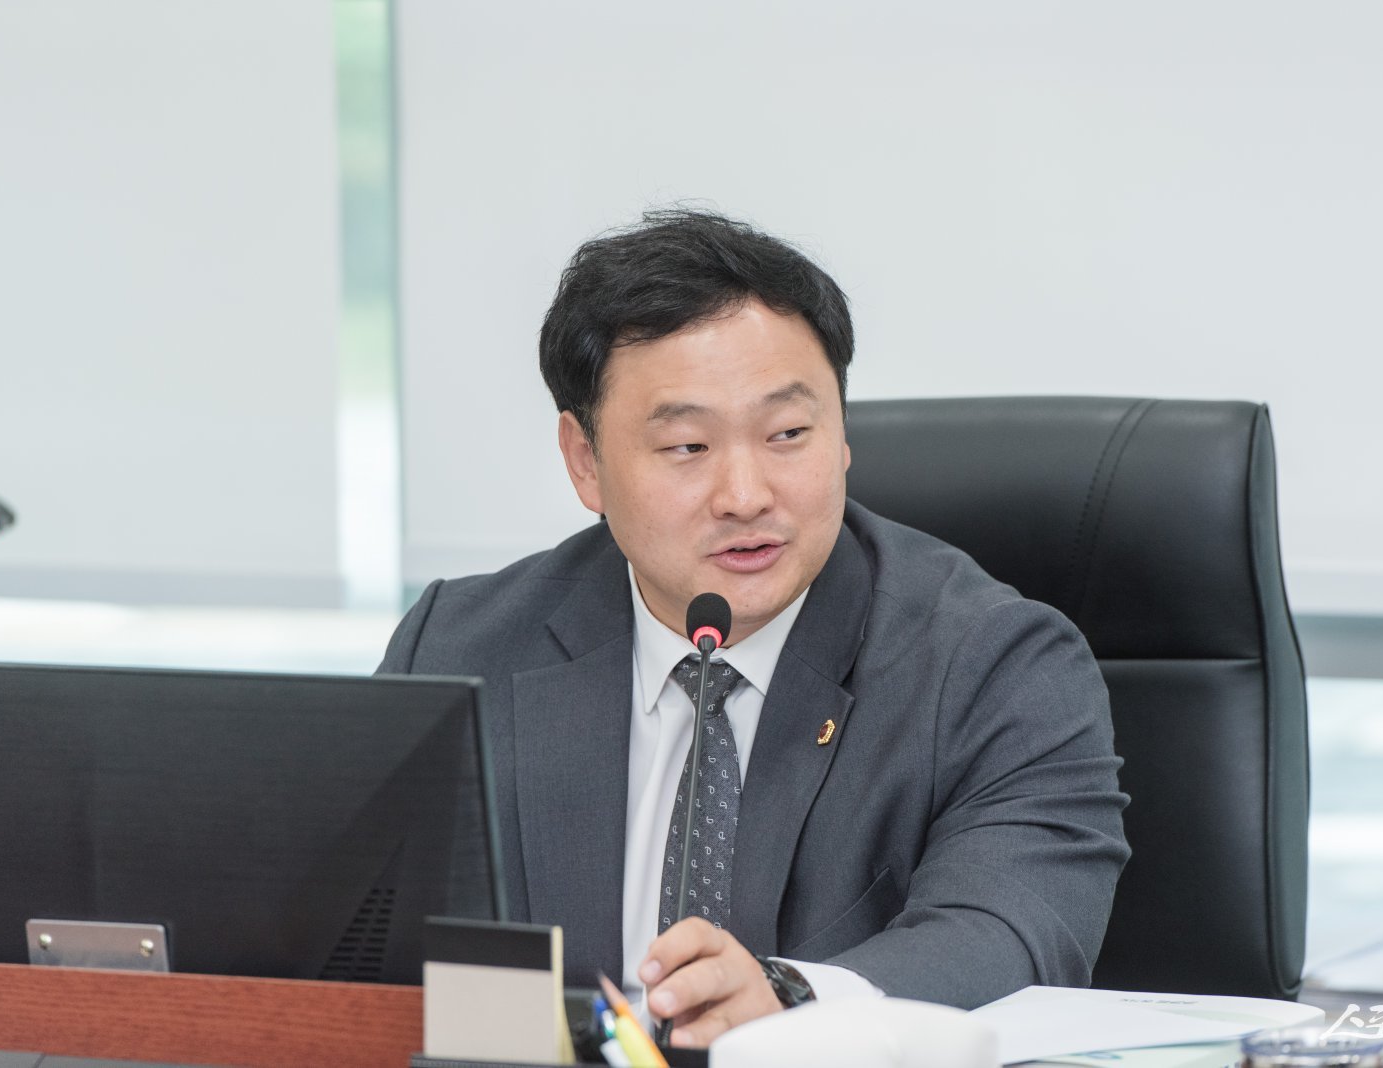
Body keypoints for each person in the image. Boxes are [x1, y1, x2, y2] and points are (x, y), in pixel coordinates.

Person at [378, 209, 1130, 1048]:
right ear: (585, 461)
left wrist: (792, 1005)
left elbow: (1010, 932)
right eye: (688, 447)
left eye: (788, 435)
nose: (746, 495)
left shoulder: (996, 664)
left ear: (842, 435)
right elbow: (366, 956)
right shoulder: (462, 649)